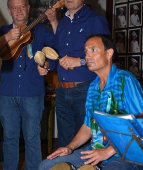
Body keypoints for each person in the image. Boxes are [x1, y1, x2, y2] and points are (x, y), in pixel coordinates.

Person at [39, 34, 143, 170]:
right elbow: (88, 126)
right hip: (95, 150)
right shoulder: (93, 87)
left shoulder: (125, 80)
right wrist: (69, 147)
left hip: (126, 155)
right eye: (86, 51)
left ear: (109, 53)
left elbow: (142, 120)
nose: (87, 56)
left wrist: (108, 151)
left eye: (93, 50)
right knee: (46, 165)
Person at [0, 0, 55, 169]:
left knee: (32, 139)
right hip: (7, 93)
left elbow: (56, 53)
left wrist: (47, 66)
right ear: (9, 10)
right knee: (9, 138)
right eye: (14, 7)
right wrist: (6, 38)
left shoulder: (41, 30)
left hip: (33, 93)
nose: (18, 10)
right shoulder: (3, 31)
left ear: (28, 8)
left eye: (22, 6)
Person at [43, 0, 110, 148]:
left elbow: (108, 56)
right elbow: (57, 58)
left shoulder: (95, 19)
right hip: (61, 91)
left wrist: (79, 61)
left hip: (86, 90)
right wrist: (47, 65)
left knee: (85, 144)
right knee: (64, 145)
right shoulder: (62, 24)